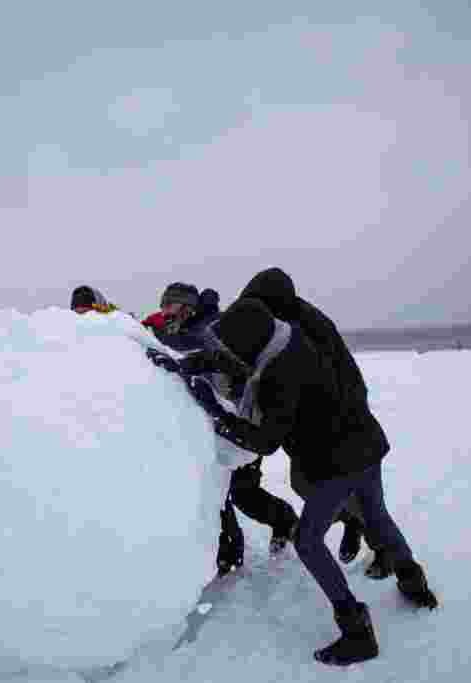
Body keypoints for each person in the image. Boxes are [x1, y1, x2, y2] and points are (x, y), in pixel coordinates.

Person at [176, 297, 437, 665]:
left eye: (232, 345)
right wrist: (202, 362)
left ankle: (356, 631)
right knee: (376, 516)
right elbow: (248, 363)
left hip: (338, 461)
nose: (230, 350)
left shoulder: (283, 372)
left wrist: (213, 409)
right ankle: (414, 584)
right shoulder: (286, 338)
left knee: (308, 540)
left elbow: (264, 439)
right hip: (365, 442)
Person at [240, 267, 390, 576]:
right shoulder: (288, 320)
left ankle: (383, 550)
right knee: (305, 484)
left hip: (337, 425)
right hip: (310, 426)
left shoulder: (304, 328)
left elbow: (332, 374)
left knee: (360, 498)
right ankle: (353, 522)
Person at [146, 285, 298, 575]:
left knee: (239, 493)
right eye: (163, 305)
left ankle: (277, 527)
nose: (165, 312)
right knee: (227, 492)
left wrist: (155, 333)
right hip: (222, 423)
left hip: (245, 423)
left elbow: (195, 342)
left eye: (171, 306)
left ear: (188, 307)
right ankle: (232, 550)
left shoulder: (213, 327)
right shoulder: (196, 325)